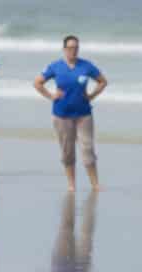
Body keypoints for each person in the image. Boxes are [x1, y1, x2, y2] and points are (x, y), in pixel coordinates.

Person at [34, 35, 108, 192]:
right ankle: (71, 185)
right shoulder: (55, 66)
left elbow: (103, 81)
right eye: (70, 48)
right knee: (67, 151)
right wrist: (51, 96)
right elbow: (37, 82)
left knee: (87, 148)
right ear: (64, 49)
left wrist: (92, 96)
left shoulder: (86, 66)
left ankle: (95, 184)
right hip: (62, 115)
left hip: (83, 114)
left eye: (76, 48)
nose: (73, 51)